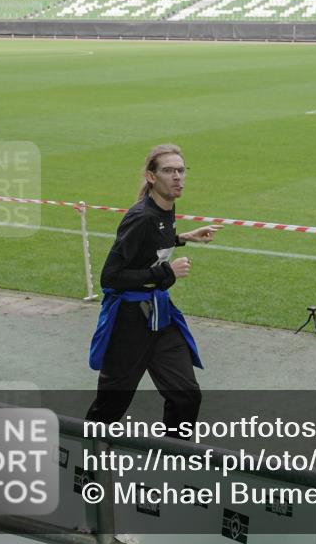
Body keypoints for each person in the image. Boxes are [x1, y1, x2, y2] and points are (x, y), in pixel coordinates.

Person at [85, 144, 219, 436]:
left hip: (159, 317)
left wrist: (182, 237)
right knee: (110, 407)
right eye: (168, 171)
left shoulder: (165, 208)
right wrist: (166, 273)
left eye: (181, 170)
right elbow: (111, 277)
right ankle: (85, 464)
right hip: (128, 323)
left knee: (186, 395)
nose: (177, 177)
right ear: (150, 176)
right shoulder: (141, 217)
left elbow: (154, 242)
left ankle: (172, 461)